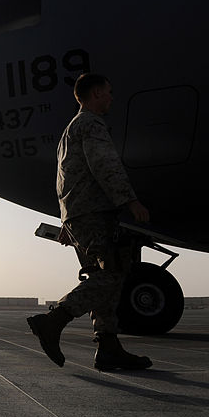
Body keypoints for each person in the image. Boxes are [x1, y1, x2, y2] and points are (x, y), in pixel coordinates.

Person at [27, 73, 152, 371]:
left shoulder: (69, 131)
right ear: (95, 93)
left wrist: (67, 222)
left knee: (102, 276)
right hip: (95, 214)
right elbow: (105, 164)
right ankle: (53, 320)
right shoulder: (91, 124)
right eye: (108, 92)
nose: (111, 97)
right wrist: (128, 199)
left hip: (78, 215)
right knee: (111, 275)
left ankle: (108, 347)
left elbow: (63, 180)